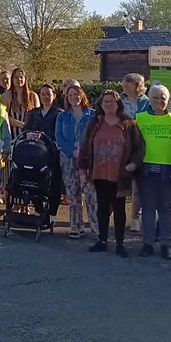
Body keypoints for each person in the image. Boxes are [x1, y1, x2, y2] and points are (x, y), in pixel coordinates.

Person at [78, 90, 145, 257]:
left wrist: (133, 164)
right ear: (101, 104)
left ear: (118, 104)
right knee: (102, 208)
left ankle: (120, 243)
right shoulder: (94, 123)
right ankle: (102, 240)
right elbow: (85, 146)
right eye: (105, 101)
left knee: (119, 209)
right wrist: (82, 169)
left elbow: (140, 147)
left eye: (112, 102)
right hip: (99, 173)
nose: (108, 104)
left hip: (119, 174)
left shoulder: (128, 123)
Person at [135, 84, 171, 259]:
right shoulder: (139, 119)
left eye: (162, 98)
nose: (159, 101)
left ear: (168, 100)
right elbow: (133, 145)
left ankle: (166, 244)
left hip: (168, 172)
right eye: (155, 97)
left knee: (165, 210)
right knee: (148, 209)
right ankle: (147, 243)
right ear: (149, 99)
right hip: (146, 171)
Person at [56, 82, 97, 239]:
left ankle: (95, 225)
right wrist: (72, 152)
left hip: (88, 159)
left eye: (76, 94)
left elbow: (96, 135)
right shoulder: (62, 116)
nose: (74, 97)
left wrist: (85, 152)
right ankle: (75, 226)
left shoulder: (92, 115)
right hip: (68, 158)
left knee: (91, 193)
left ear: (82, 96)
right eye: (70, 95)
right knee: (73, 195)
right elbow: (59, 137)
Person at [120, 73, 150, 234]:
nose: (125, 85)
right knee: (118, 182)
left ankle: (135, 218)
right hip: (122, 145)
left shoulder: (146, 102)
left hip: (140, 146)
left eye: (129, 82)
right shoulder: (119, 100)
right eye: (124, 82)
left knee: (138, 186)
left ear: (138, 85)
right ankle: (114, 213)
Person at [3, 68, 39, 139]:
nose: (19, 79)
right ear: (12, 79)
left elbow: (38, 116)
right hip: (13, 137)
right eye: (16, 77)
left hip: (30, 136)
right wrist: (22, 125)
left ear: (25, 79)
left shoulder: (33, 96)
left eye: (21, 77)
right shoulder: (6, 96)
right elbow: (4, 117)